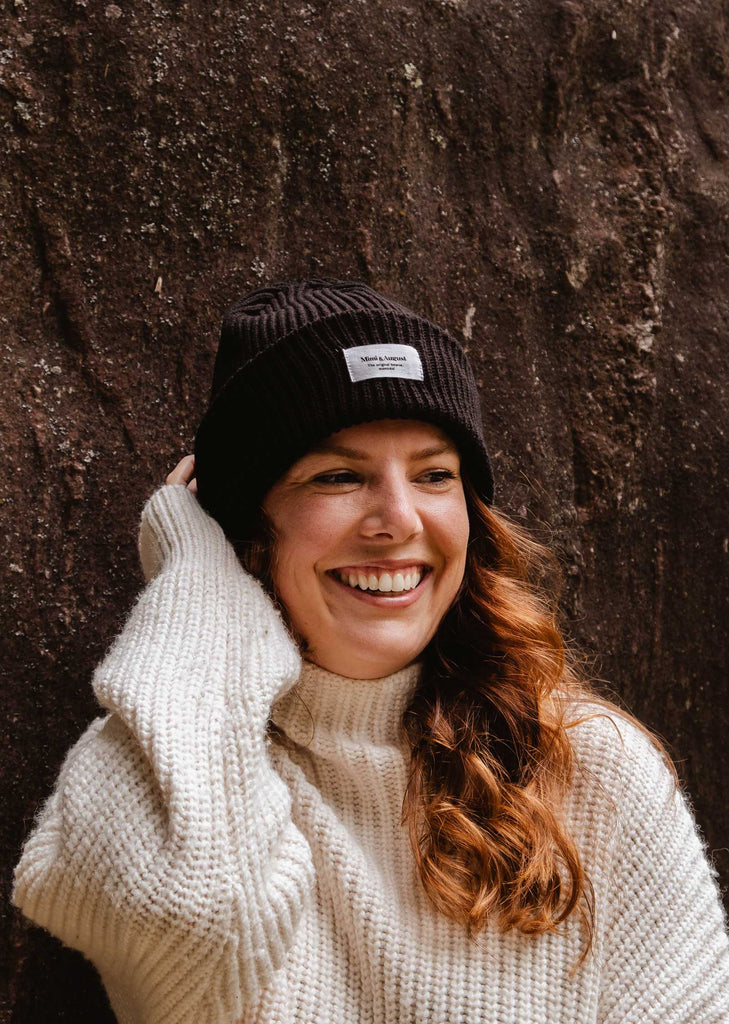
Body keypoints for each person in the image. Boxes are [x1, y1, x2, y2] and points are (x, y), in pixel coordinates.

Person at [12, 279, 729, 1024]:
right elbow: (186, 919)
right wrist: (199, 578)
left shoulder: (590, 771)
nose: (397, 517)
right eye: (338, 476)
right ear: (245, 532)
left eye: (433, 475)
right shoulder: (176, 761)